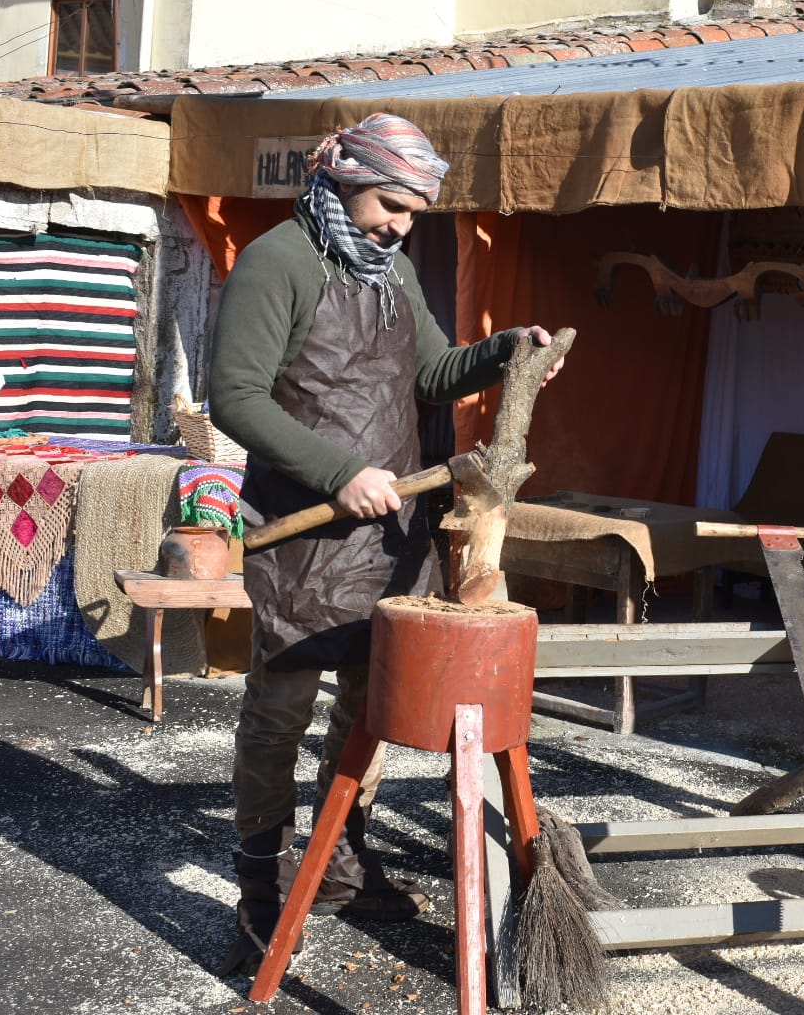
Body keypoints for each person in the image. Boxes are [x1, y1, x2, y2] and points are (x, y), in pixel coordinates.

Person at [207, 113, 562, 976]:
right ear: (342, 177)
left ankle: (338, 856)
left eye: (414, 211)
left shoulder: (395, 271)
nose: (403, 225)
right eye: (392, 204)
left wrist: (506, 352)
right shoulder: (276, 262)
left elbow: (431, 375)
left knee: (369, 704)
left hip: (392, 529)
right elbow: (236, 397)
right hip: (306, 528)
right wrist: (337, 472)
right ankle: (260, 885)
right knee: (281, 706)